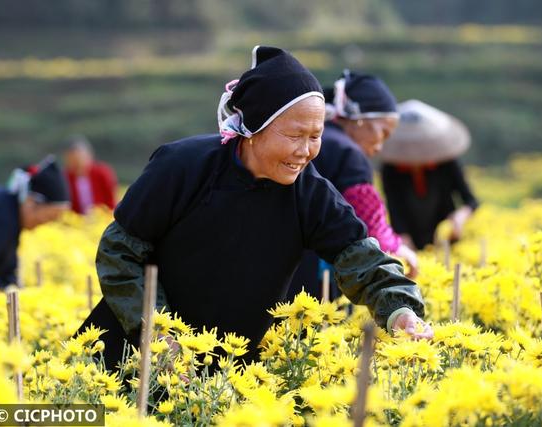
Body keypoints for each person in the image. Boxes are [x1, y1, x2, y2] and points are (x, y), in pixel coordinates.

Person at [77, 46, 432, 371]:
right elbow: (118, 252)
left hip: (226, 372)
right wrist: (154, 331)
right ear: (254, 128)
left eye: (315, 136)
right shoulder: (182, 166)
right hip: (123, 354)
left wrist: (399, 310)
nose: (305, 151)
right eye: (295, 136)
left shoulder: (311, 193)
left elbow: (364, 261)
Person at [287, 70, 420, 302]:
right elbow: (369, 223)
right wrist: (400, 250)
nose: (379, 147)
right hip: (314, 279)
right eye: (382, 133)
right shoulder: (349, 153)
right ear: (360, 118)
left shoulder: (317, 141)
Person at [380, 100, 479, 249]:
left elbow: (471, 200)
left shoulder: (447, 163)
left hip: (447, 238)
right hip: (410, 238)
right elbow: (394, 206)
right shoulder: (391, 169)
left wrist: (460, 217)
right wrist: (403, 238)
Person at [0, 156, 70, 289]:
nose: (45, 224)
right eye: (49, 217)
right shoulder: (0, 216)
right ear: (31, 202)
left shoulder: (10, 212)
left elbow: (6, 267)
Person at [64, 135, 118, 214]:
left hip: (102, 218)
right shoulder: (65, 177)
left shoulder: (102, 172)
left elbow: (111, 200)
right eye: (72, 159)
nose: (77, 163)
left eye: (79, 157)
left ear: (89, 155)